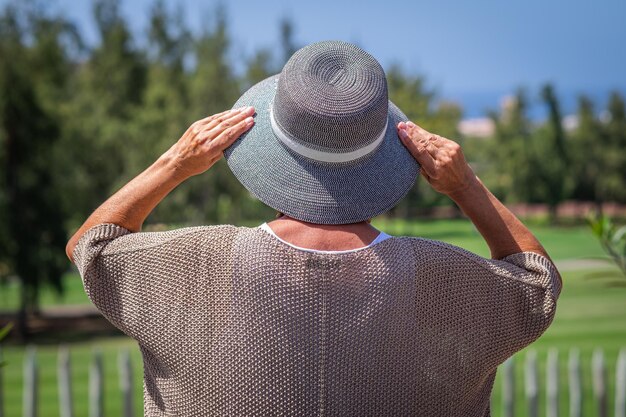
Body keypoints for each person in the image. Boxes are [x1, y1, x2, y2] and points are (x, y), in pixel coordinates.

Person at [66, 41, 561, 417]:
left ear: (266, 153)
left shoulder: (195, 265)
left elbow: (92, 245)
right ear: (387, 151)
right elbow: (536, 282)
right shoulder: (439, 278)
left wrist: (175, 163)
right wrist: (465, 185)